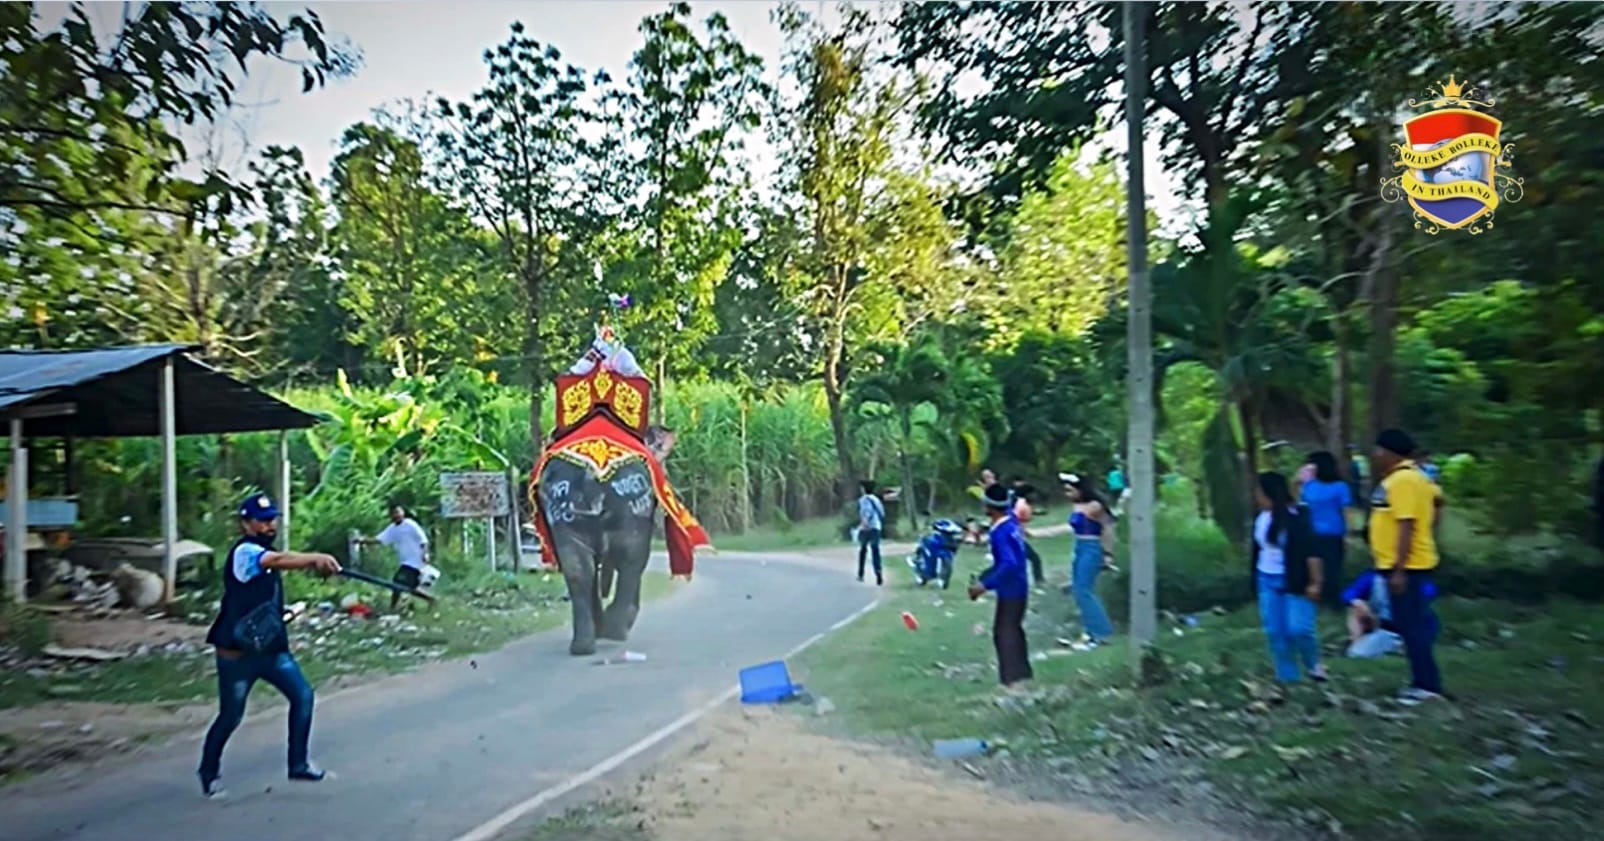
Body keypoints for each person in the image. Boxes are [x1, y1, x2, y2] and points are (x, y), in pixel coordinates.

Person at [199, 494, 341, 798]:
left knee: (303, 696)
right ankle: (208, 774)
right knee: (231, 716)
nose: (269, 525)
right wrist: (314, 558)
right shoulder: (245, 552)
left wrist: (314, 566)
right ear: (245, 524)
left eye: (272, 519)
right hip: (238, 655)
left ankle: (298, 764)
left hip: (270, 650)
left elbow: (278, 564)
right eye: (262, 521)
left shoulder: (265, 554)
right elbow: (277, 560)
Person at [1368, 428, 1445, 704]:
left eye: (1378, 451)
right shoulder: (1414, 477)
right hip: (1403, 564)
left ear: (1390, 453)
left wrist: (1399, 569)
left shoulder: (1403, 480)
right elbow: (1439, 502)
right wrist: (1429, 531)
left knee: (1411, 626)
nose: (1375, 456)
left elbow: (1406, 524)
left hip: (1406, 567)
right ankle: (1421, 681)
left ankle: (1426, 685)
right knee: (1408, 624)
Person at [1252, 472, 1326, 684]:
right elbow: (1258, 550)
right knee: (1275, 631)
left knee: (1299, 628)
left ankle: (1313, 664)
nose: (1256, 496)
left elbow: (1311, 551)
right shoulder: (1261, 518)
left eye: (1259, 491)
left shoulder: (1297, 517)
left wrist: (1316, 582)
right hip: (1266, 578)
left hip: (1294, 579)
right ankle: (1287, 677)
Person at [968, 484, 1032, 687]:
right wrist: (985, 576)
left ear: (989, 506)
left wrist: (985, 585)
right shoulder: (1010, 523)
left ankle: (1012, 679)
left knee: (1004, 633)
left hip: (1011, 589)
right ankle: (1023, 674)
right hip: (1019, 585)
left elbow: (1008, 563)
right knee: (1013, 629)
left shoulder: (1000, 533)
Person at [1060, 473, 1116, 646]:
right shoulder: (1077, 506)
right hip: (1080, 546)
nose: (1067, 494)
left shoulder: (1094, 506)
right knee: (1079, 590)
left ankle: (1101, 631)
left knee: (1084, 590)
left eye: (1070, 490)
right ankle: (1090, 630)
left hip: (1092, 547)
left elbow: (1108, 528)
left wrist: (1108, 553)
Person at [1299, 451, 1355, 609]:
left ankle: (1333, 601)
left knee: (1332, 569)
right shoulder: (1309, 486)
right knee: (1314, 569)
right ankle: (1317, 598)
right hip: (1312, 534)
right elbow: (1300, 505)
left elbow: (1346, 511)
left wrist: (1348, 533)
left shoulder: (1340, 487)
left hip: (1333, 534)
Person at [1344, 568, 1439, 658]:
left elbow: (1430, 591)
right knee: (1355, 608)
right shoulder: (1374, 577)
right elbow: (1348, 594)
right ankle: (1356, 643)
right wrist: (1358, 603)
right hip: (1383, 627)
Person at [358, 505, 430, 611]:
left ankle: (393, 607)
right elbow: (379, 540)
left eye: (398, 512)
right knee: (408, 587)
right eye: (393, 513)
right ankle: (430, 600)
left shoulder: (410, 524)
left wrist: (425, 553)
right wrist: (363, 540)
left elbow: (423, 540)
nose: (396, 515)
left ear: (403, 513)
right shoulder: (392, 529)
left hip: (415, 561)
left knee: (397, 583)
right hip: (406, 562)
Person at [1009, 476, 1045, 588]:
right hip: (1014, 538)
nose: (1035, 496)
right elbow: (1018, 523)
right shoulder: (1025, 507)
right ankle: (1039, 581)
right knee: (1035, 559)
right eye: (1033, 494)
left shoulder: (1019, 503)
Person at [856, 480, 885, 586]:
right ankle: (878, 572)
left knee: (863, 550)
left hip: (866, 528)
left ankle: (861, 573)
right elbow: (882, 513)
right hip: (876, 527)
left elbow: (866, 511)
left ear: (863, 489)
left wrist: (864, 523)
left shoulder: (863, 500)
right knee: (875, 550)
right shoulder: (876, 499)